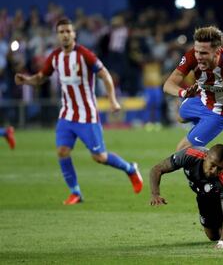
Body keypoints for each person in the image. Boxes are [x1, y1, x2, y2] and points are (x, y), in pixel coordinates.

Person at [14, 18, 143, 205]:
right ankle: (75, 192)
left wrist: (112, 100)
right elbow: (42, 77)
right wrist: (26, 80)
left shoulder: (84, 55)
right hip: (66, 114)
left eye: (68, 31)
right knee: (62, 151)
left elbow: (105, 74)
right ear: (57, 35)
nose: (65, 34)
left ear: (74, 34)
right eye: (61, 32)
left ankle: (130, 169)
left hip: (87, 115)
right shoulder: (55, 56)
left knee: (100, 157)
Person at [163, 26, 223, 151]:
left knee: (182, 150)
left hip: (221, 111)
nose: (198, 57)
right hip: (202, 99)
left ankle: (213, 165)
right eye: (196, 51)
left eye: (203, 53)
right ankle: (202, 128)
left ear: (217, 52)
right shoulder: (192, 56)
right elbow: (168, 85)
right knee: (180, 117)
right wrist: (184, 92)